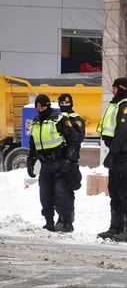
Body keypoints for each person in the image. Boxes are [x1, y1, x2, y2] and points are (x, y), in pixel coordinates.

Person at [96, 77, 127, 242]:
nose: (113, 91)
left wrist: (112, 154)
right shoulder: (119, 104)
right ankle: (115, 228)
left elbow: (123, 132)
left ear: (121, 88)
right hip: (118, 154)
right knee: (115, 192)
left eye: (115, 88)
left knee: (125, 192)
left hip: (124, 155)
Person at [26, 94, 80, 232]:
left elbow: (74, 140)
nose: (40, 109)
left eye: (42, 106)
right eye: (37, 107)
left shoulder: (59, 120)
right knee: (45, 194)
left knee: (61, 193)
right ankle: (49, 221)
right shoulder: (35, 122)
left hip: (60, 162)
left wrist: (70, 159)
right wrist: (30, 161)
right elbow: (33, 144)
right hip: (45, 164)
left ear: (48, 105)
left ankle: (67, 222)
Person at [53, 93, 85, 231]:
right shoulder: (56, 118)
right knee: (54, 192)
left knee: (64, 191)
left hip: (69, 160)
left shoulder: (76, 119)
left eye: (66, 103)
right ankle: (61, 218)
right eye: (61, 103)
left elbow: (77, 139)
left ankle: (67, 221)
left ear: (71, 103)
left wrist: (70, 158)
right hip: (56, 159)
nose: (64, 106)